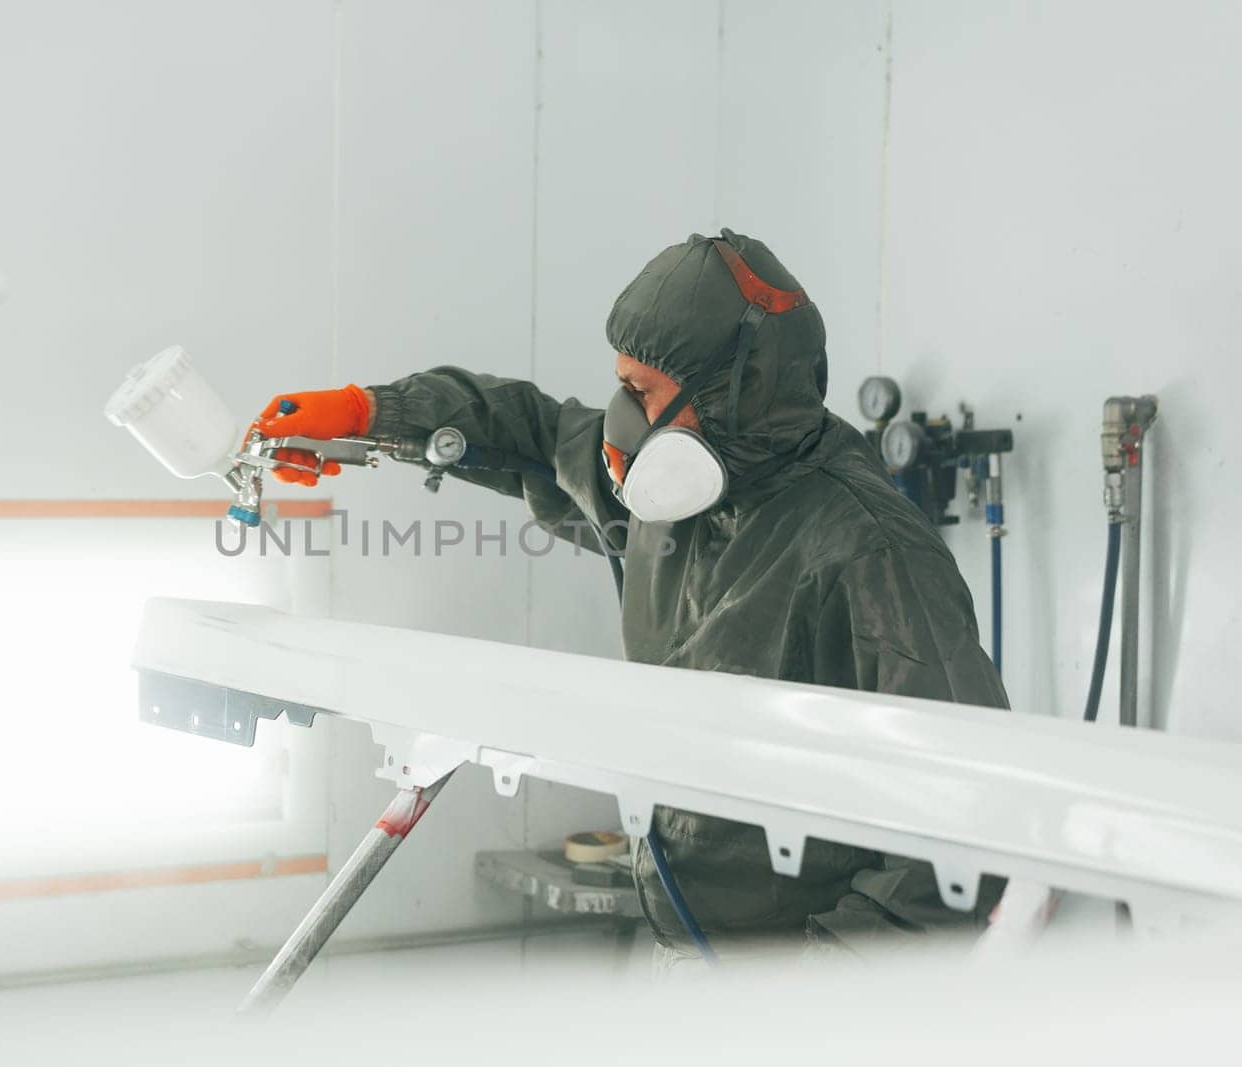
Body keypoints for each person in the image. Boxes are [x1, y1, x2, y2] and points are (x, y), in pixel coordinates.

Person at [252, 229, 1008, 959]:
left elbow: (964, 830)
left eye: (640, 391)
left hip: (799, 984)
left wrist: (816, 992)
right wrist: (373, 415)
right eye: (620, 384)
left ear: (735, 392)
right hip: (686, 949)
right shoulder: (678, 495)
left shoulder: (869, 549)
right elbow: (534, 434)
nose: (619, 423)